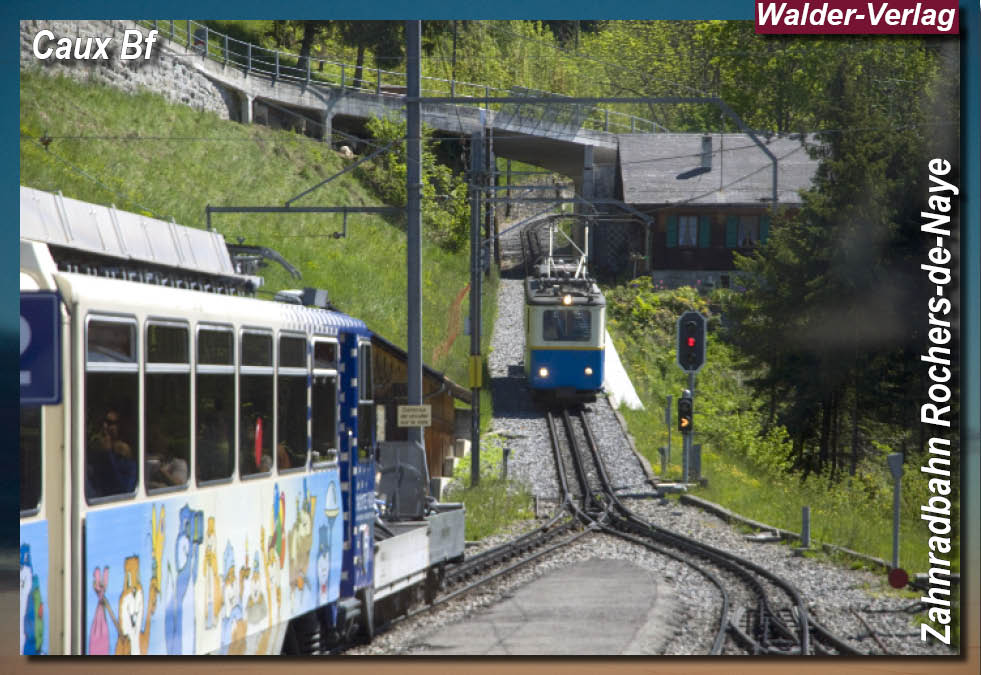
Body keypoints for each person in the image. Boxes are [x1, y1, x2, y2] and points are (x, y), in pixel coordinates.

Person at [88, 408, 137, 497]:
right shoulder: (97, 451)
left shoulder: (125, 453)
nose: (105, 426)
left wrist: (108, 454)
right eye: (104, 422)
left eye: (110, 423)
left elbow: (123, 489)